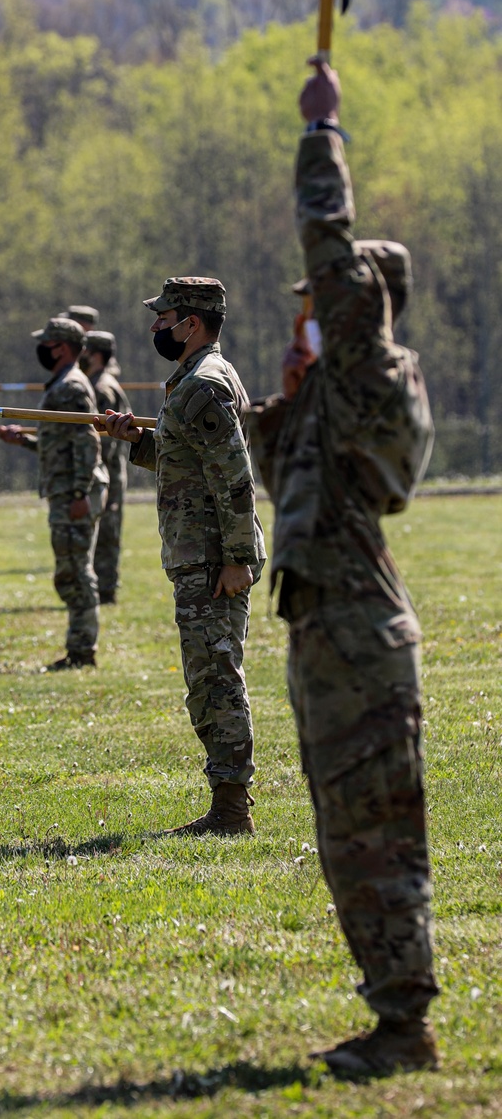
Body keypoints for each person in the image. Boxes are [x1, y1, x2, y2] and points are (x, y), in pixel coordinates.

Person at [247, 60, 438, 1077]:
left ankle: (406, 1026)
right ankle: (390, 1014)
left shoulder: (369, 366)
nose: (304, 314)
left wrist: (322, 137)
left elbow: (332, 250)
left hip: (359, 635)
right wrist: (285, 404)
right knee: (342, 837)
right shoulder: (335, 391)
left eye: (317, 304)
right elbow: (291, 490)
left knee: (376, 840)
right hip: (323, 627)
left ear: (359, 303)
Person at [105, 277, 264, 835]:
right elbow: (187, 461)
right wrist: (135, 441)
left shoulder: (203, 385)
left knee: (215, 677)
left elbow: (236, 478)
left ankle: (230, 811)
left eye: (163, 317)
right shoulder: (193, 380)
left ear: (191, 323)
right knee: (207, 675)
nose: (155, 328)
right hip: (199, 554)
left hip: (215, 558)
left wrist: (239, 558)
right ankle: (227, 803)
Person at [0, 317, 108, 669]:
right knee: (69, 571)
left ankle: (82, 651)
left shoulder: (72, 387)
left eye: (46, 343)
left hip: (74, 494)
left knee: (76, 572)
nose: (41, 349)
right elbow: (59, 445)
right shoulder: (62, 384)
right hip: (65, 491)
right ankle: (79, 647)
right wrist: (25, 441)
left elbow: (86, 442)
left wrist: (80, 492)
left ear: (60, 347)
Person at [82, 330, 131, 604]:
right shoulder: (100, 383)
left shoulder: (101, 388)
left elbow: (103, 441)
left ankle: (105, 590)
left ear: (96, 355)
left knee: (105, 532)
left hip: (106, 472)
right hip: (109, 471)